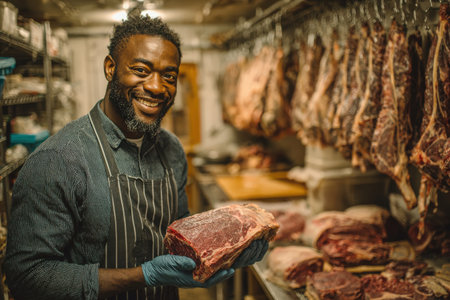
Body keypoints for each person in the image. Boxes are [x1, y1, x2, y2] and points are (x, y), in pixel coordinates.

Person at [3, 15, 268, 300]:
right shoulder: (58, 160)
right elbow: (26, 275)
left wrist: (226, 249)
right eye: (141, 70)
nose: (156, 86)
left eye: (169, 76)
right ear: (110, 68)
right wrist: (145, 275)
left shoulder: (172, 150)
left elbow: (181, 234)